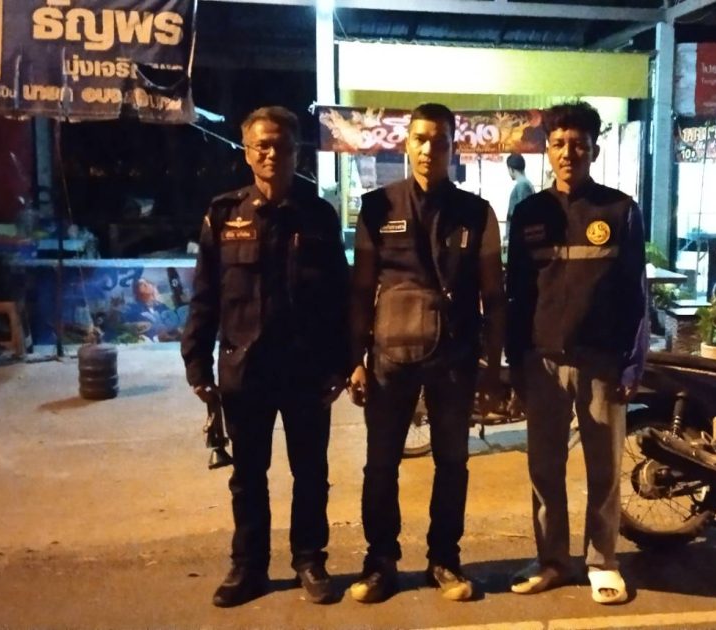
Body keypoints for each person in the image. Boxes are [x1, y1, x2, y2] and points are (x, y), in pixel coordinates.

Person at [181, 106, 351, 608]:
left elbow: (339, 298)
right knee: (248, 476)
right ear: (247, 152)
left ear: (296, 152)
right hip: (246, 369)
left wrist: (342, 365)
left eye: (281, 145)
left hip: (306, 370)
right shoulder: (223, 214)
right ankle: (249, 567)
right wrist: (196, 364)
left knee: (311, 473)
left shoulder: (318, 215)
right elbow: (205, 295)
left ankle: (310, 560)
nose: (272, 154)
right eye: (262, 145)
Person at [346, 102, 505, 604]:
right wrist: (355, 360)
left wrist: (494, 366)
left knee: (452, 463)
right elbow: (361, 290)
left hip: (455, 359)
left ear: (453, 147)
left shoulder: (477, 212)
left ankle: (445, 560)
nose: (428, 148)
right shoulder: (376, 207)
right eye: (419, 138)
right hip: (389, 359)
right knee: (380, 464)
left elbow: (494, 295)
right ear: (406, 143)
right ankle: (380, 563)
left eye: (439, 140)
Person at [505, 101, 647, 605]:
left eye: (579, 145)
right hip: (542, 362)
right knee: (544, 469)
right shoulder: (529, 214)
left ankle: (603, 562)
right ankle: (552, 560)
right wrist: (515, 361)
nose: (569, 153)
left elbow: (636, 293)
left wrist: (633, 362)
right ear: (547, 150)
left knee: (603, 471)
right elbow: (517, 293)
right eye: (559, 144)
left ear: (594, 151)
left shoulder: (620, 210)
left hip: (602, 362)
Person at [506, 152, 535, 221]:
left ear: (511, 169)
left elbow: (524, 213)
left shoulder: (522, 185)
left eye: (508, 169)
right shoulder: (525, 183)